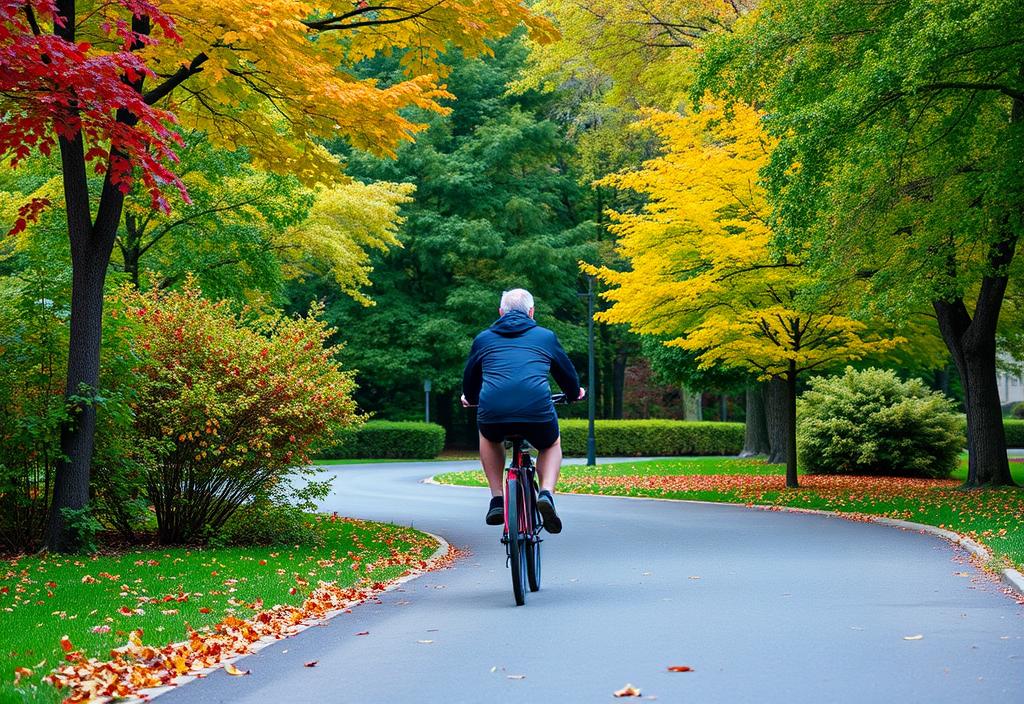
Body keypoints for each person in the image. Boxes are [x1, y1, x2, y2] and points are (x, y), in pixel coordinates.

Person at [461, 288, 585, 533]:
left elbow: (470, 380)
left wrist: (471, 398)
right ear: (531, 312)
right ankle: (547, 494)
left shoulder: (483, 339)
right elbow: (567, 375)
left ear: (500, 312)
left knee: (488, 436)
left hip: (494, 412)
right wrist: (574, 393)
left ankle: (497, 498)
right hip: (536, 410)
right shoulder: (545, 337)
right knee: (550, 444)